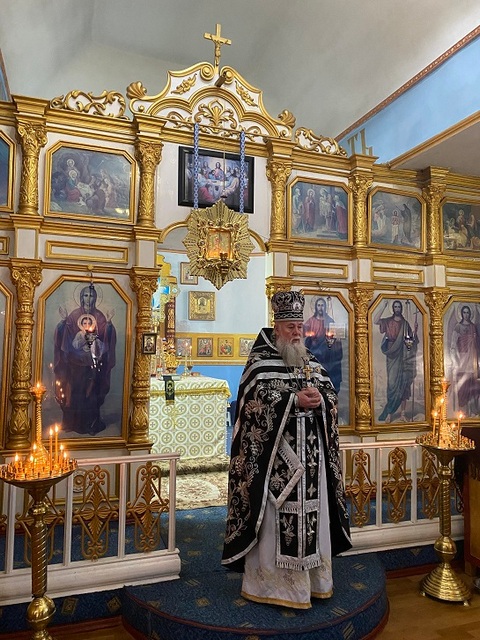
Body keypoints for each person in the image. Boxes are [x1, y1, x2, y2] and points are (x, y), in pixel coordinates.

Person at [222, 290, 351, 609]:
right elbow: (251, 406)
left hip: (312, 464)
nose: (296, 332)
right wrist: (292, 400)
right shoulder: (259, 362)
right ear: (277, 326)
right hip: (275, 464)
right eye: (290, 327)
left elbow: (329, 394)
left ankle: (315, 583)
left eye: (299, 327)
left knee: (313, 521)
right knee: (274, 525)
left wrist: (321, 400)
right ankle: (272, 587)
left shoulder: (311, 361)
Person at [54, 283, 116, 435]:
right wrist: (63, 322)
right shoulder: (74, 315)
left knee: (91, 393)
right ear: (81, 297)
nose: (88, 298)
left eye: (91, 295)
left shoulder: (100, 316)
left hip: (92, 365)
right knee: (75, 392)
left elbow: (105, 340)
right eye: (86, 295)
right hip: (74, 365)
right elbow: (66, 337)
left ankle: (91, 424)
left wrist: (108, 325)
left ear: (95, 298)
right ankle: (72, 422)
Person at [374, 299, 418, 423]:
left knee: (404, 383)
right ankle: (389, 413)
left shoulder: (405, 323)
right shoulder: (388, 321)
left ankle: (402, 413)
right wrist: (383, 306)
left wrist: (415, 332)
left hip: (403, 355)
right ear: (393, 309)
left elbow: (410, 341)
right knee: (392, 383)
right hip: (392, 353)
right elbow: (375, 321)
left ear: (401, 308)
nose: (397, 309)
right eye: (395, 307)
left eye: (399, 307)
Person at [303, 296, 343, 392]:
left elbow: (336, 336)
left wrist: (335, 339)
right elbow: (304, 333)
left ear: (325, 307)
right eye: (318, 305)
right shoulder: (311, 321)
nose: (320, 308)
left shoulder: (330, 321)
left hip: (327, 355)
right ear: (316, 307)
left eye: (322, 305)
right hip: (315, 352)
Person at [449, 305, 480, 417]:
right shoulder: (458, 327)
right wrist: (455, 361)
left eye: (468, 312)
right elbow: (453, 345)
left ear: (470, 314)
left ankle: (473, 410)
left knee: (473, 386)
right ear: (461, 314)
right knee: (463, 387)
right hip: (462, 359)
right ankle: (464, 411)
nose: (466, 315)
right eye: (464, 312)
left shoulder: (473, 327)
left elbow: (477, 345)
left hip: (473, 360)